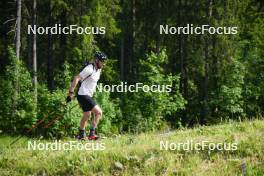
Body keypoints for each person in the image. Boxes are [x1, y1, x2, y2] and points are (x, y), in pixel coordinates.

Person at [67, 51, 107, 140]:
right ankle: (92, 133)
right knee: (98, 112)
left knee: (87, 115)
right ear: (97, 61)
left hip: (85, 95)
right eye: (102, 61)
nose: (103, 64)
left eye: (104, 62)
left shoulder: (99, 70)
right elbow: (77, 78)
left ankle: (81, 135)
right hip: (84, 95)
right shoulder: (89, 68)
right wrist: (71, 93)